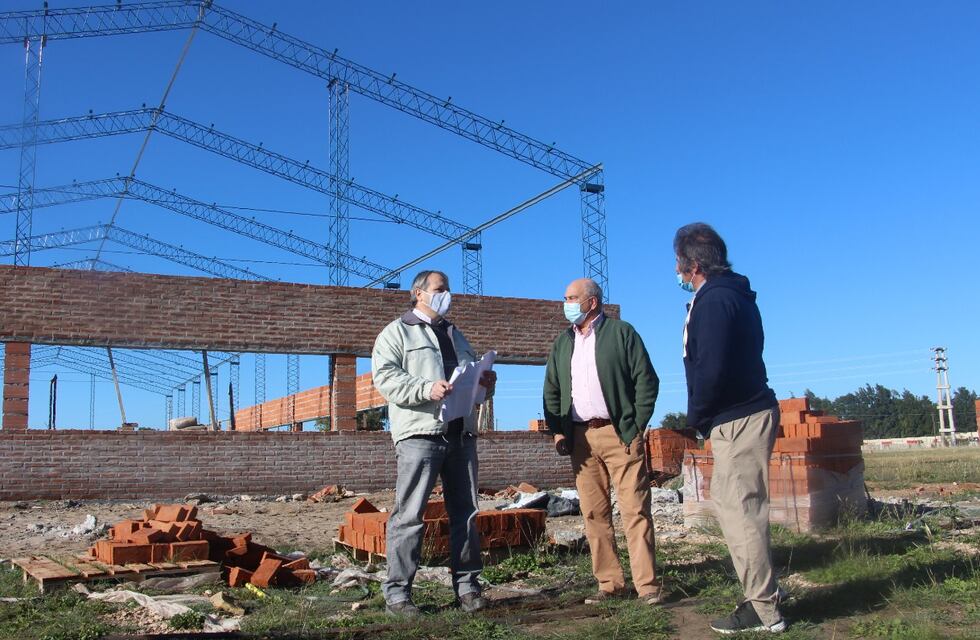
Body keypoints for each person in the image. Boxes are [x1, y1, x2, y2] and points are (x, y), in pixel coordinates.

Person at [674, 222, 786, 634]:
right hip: (738, 414)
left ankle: (764, 609)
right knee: (730, 502)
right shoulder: (729, 295)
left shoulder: (716, 300)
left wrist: (697, 417)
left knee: (742, 510)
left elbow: (711, 367)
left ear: (692, 264)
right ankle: (765, 590)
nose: (678, 271)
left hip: (737, 417)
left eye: (679, 263)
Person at [371, 269, 496, 617]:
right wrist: (426, 389)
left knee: (466, 515)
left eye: (448, 289)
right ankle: (397, 596)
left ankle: (468, 588)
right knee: (409, 516)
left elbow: (472, 386)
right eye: (440, 289)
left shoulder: (456, 335)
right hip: (420, 436)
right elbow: (385, 378)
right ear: (418, 293)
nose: (447, 294)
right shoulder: (396, 333)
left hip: (461, 434)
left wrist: (485, 383)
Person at [542, 277, 662, 605]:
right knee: (593, 513)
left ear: (591, 302)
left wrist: (635, 426)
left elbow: (646, 381)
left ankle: (647, 587)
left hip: (619, 433)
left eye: (571, 297)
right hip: (580, 439)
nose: (565, 303)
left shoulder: (622, 333)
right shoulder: (563, 343)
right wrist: (558, 430)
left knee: (634, 509)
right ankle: (610, 585)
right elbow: (552, 389)